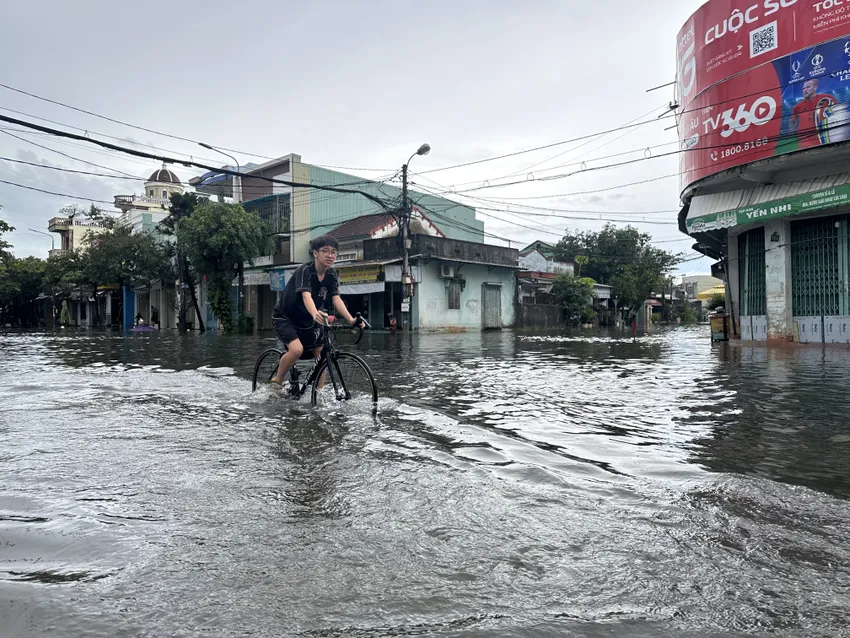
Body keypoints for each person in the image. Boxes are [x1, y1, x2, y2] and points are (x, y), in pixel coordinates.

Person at [269, 234, 362, 386]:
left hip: (308, 320)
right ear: (315, 253)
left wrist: (351, 320)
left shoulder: (331, 274)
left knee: (322, 353)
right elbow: (306, 296)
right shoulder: (305, 270)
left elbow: (336, 299)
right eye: (325, 251)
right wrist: (314, 313)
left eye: (333, 252)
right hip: (285, 317)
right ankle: (277, 380)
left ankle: (319, 394)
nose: (330, 255)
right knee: (296, 350)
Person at [791, 79, 835, 149]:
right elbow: (792, 124)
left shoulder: (827, 98)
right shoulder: (797, 107)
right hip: (805, 143)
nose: (805, 90)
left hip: (824, 139)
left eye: (808, 87)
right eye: (803, 88)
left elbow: (836, 114)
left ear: (815, 87)